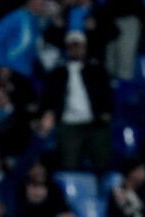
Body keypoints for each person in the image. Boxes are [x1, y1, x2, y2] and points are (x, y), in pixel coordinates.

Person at [45, 31, 112, 172]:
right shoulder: (58, 73)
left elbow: (107, 95)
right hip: (69, 122)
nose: (75, 50)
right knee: (69, 164)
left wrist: (106, 112)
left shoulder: (97, 71)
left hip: (94, 121)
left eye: (79, 46)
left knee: (102, 162)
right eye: (72, 46)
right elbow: (49, 97)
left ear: (85, 48)